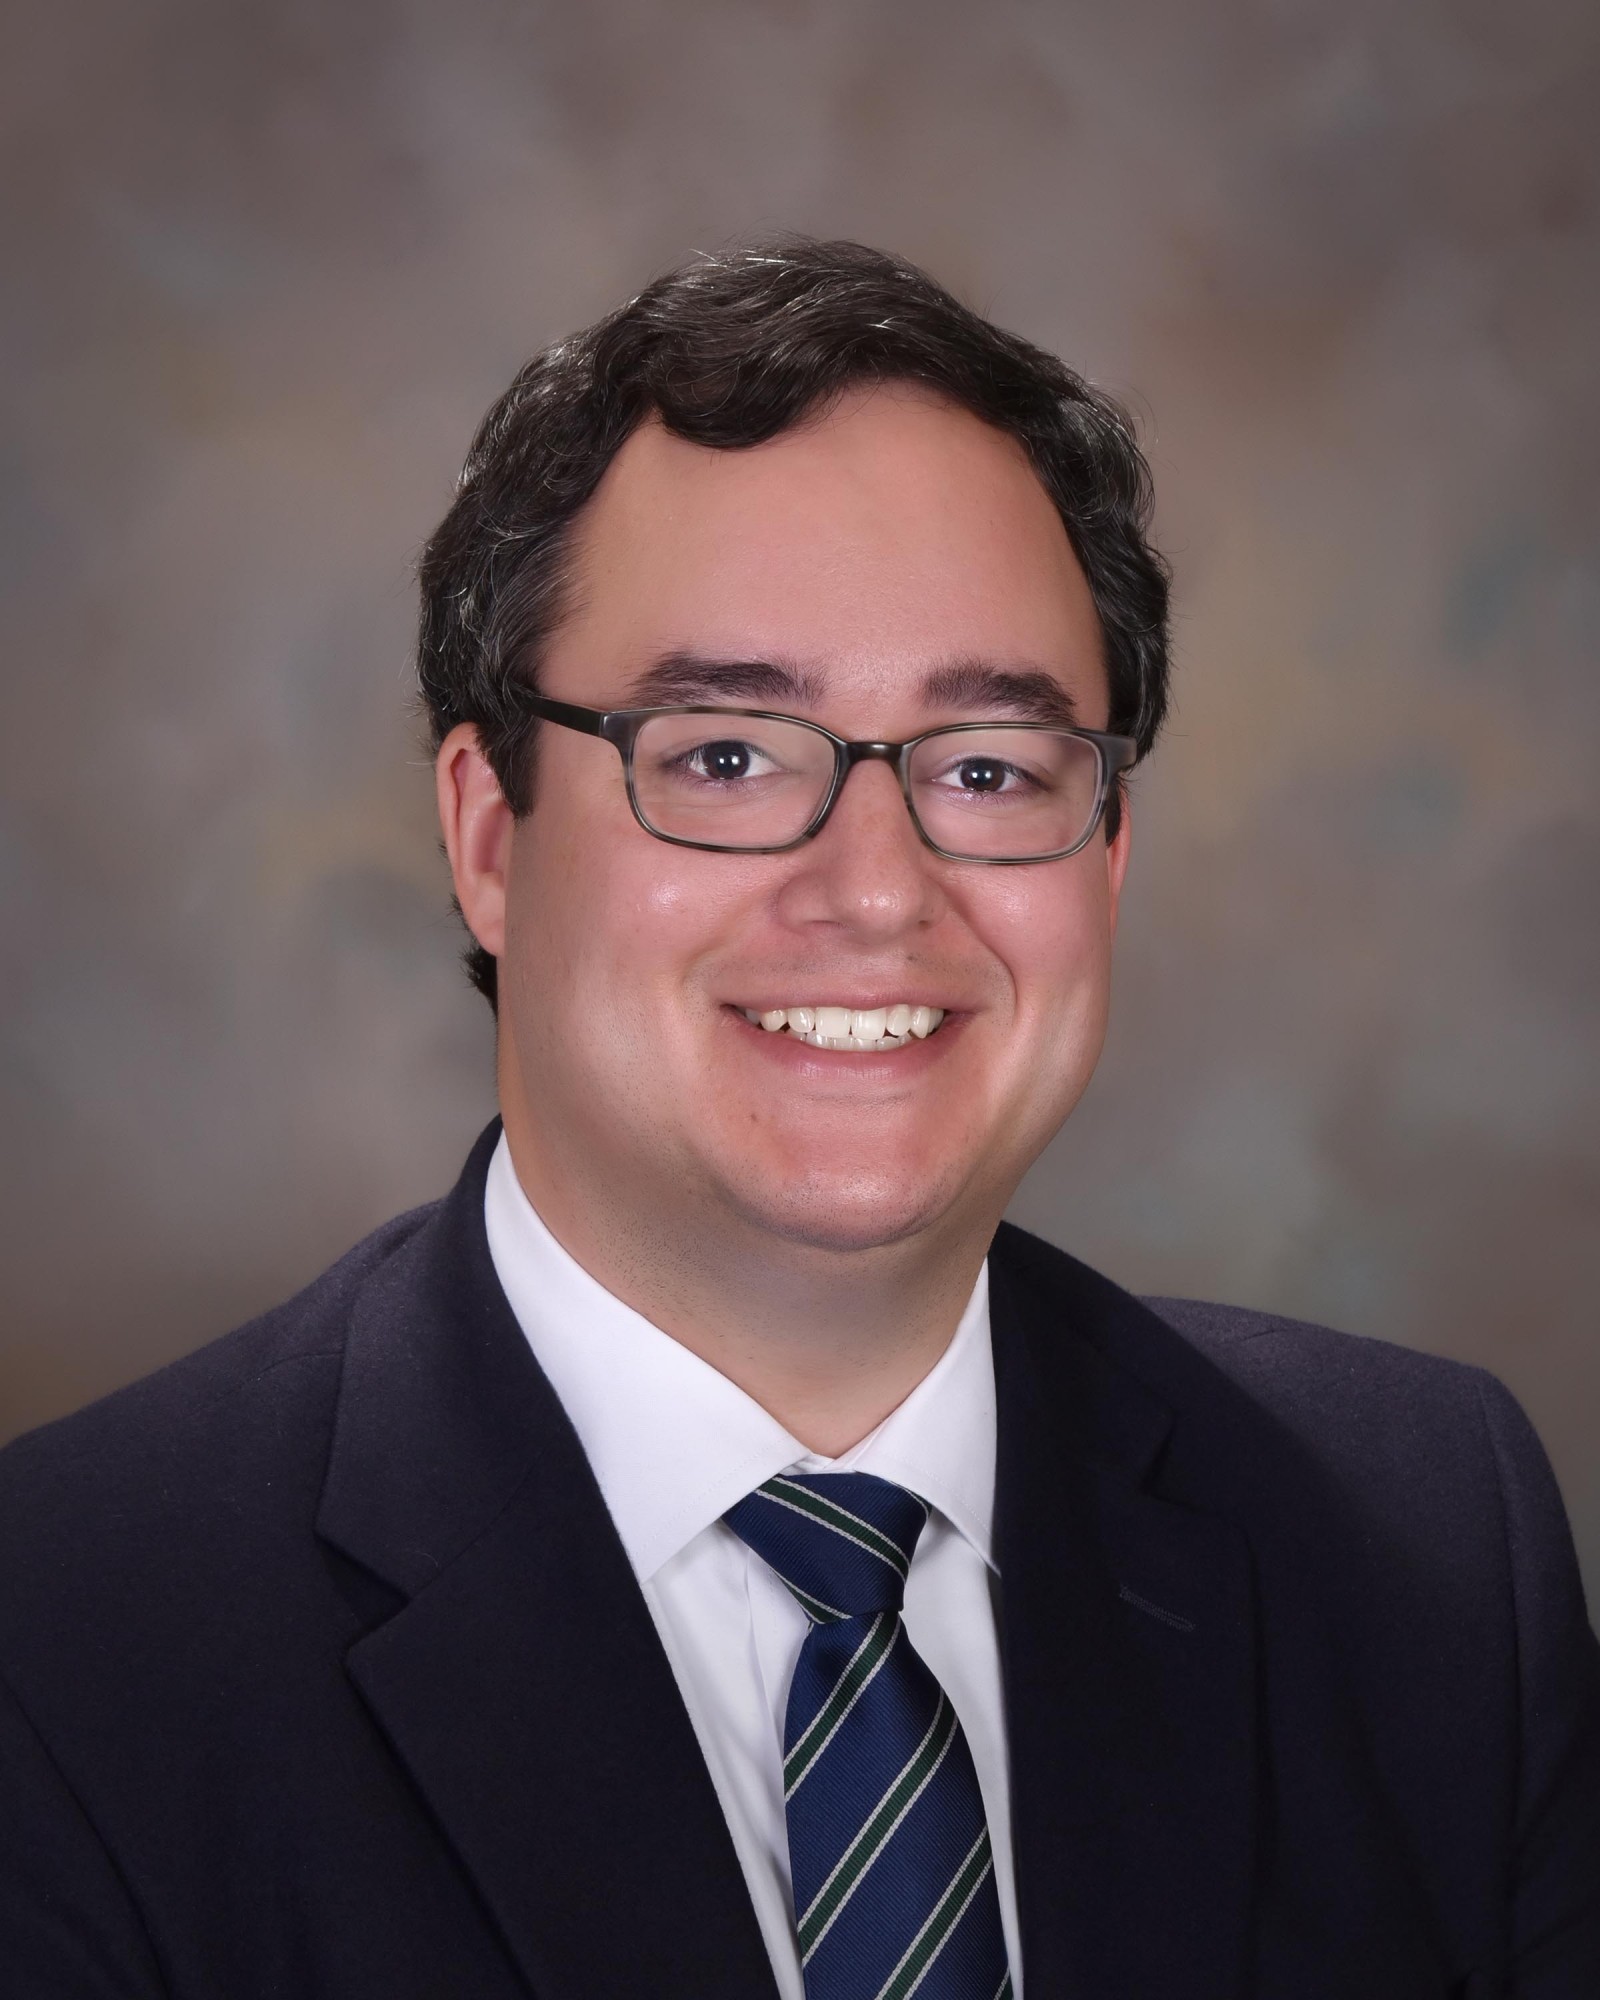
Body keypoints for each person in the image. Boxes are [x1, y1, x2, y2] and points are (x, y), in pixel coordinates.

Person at [1, 238, 1596, 2000]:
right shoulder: (69, 1643)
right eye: (727, 757)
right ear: (486, 838)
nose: (875, 893)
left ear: (1111, 855)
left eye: (988, 768)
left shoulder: (1432, 1554)